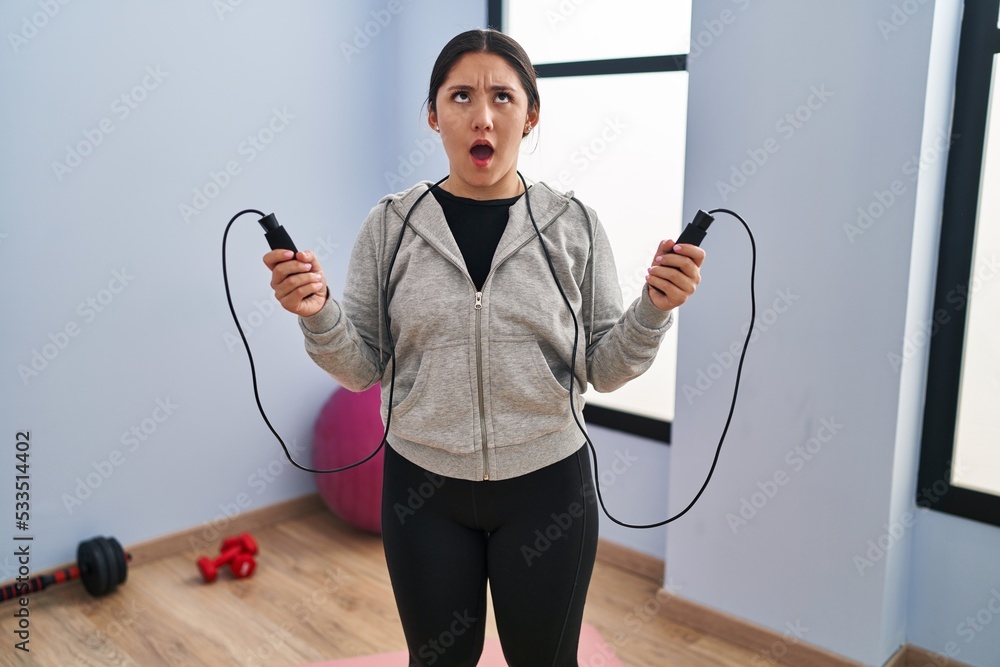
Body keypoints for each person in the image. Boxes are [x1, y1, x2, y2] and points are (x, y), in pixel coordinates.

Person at [264, 28, 705, 667]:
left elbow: (604, 369)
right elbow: (361, 369)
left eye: (502, 97)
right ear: (433, 113)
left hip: (549, 490)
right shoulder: (391, 225)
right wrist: (318, 315)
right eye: (461, 95)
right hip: (422, 493)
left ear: (530, 117)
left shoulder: (572, 225)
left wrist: (653, 311)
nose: (482, 115)